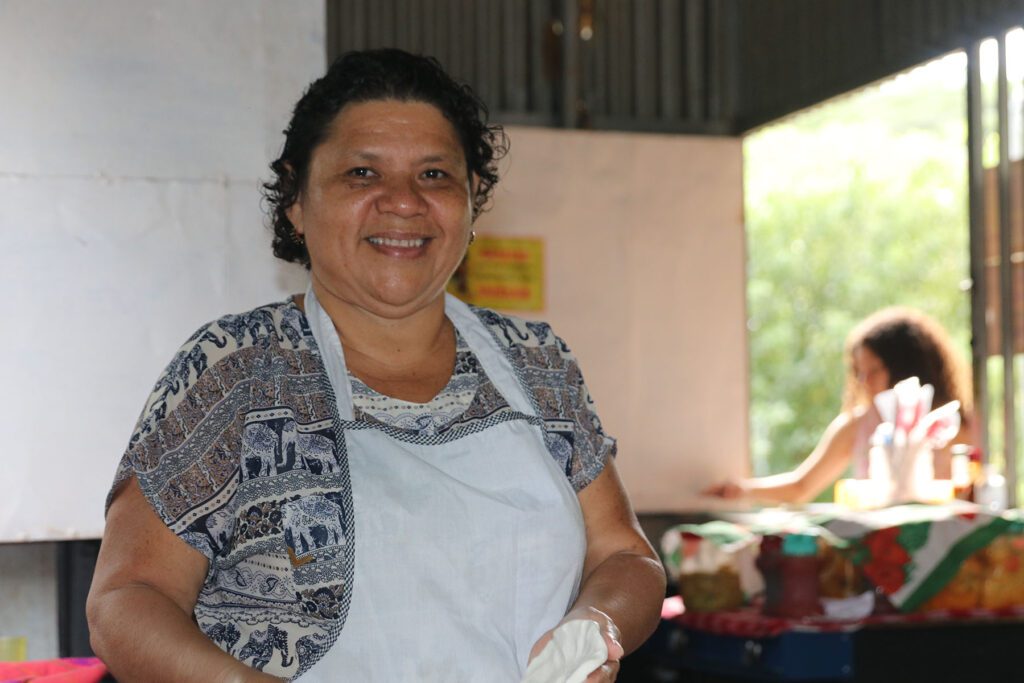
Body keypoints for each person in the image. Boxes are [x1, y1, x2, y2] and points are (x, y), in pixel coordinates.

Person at [86, 49, 665, 682]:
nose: (404, 202)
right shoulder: (237, 370)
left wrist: (596, 628)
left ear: (472, 200)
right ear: (298, 201)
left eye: (436, 175)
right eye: (363, 173)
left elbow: (624, 555)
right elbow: (127, 600)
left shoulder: (538, 364)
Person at [704, 306, 973, 504]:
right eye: (859, 372)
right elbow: (801, 486)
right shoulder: (857, 425)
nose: (864, 381)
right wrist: (743, 490)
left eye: (874, 370)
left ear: (904, 367)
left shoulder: (950, 422)